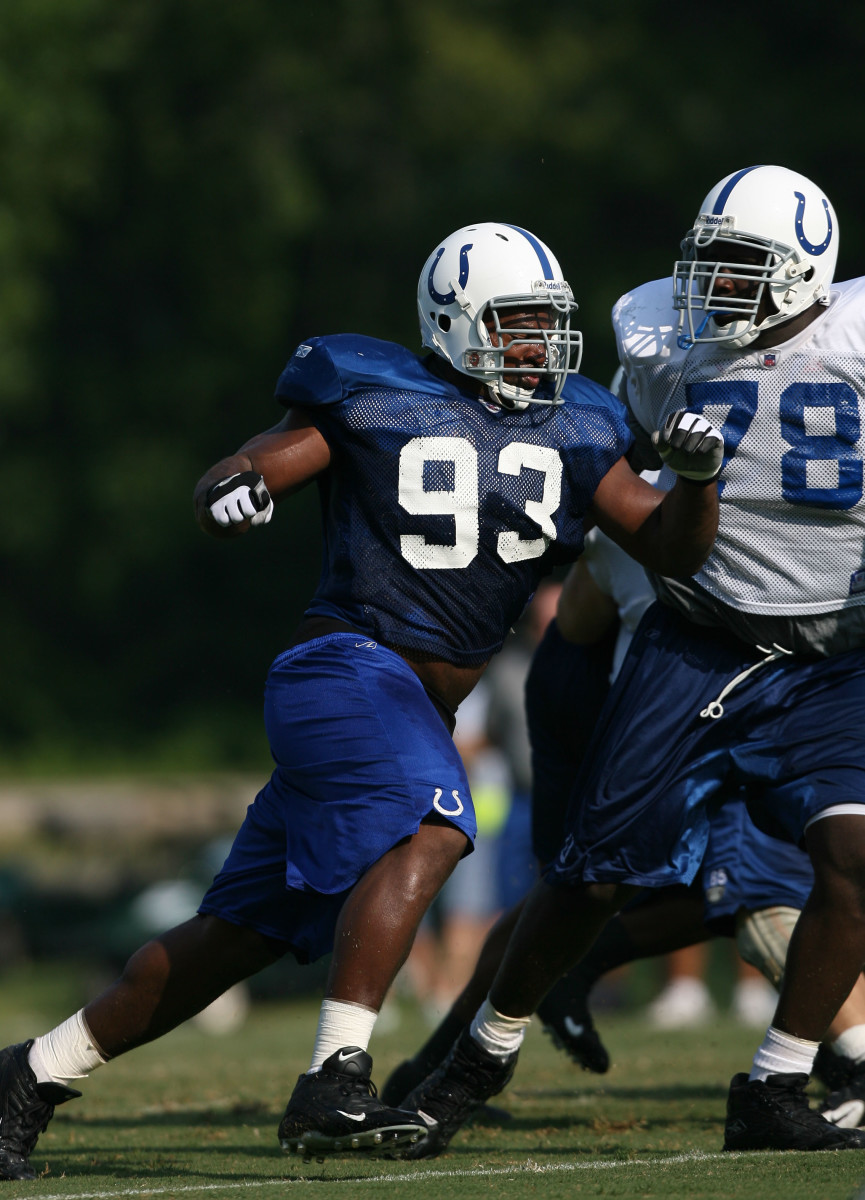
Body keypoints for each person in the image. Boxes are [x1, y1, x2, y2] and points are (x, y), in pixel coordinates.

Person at [0, 222, 723, 1180]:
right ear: (453, 323)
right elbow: (261, 458)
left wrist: (701, 479)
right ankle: (334, 1075)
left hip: (411, 709)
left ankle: (28, 1076)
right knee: (435, 820)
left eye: (548, 326)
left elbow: (670, 545)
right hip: (342, 667)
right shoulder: (374, 391)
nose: (537, 347)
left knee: (236, 938)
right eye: (514, 326)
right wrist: (236, 486)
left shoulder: (581, 424)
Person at [396, 165, 865, 1157]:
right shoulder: (663, 338)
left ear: (804, 270)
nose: (709, 283)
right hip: (703, 635)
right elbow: (614, 475)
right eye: (706, 259)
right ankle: (478, 1056)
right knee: (590, 875)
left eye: (738, 266)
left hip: (831, 655)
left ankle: (775, 1086)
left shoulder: (855, 335)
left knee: (850, 862)